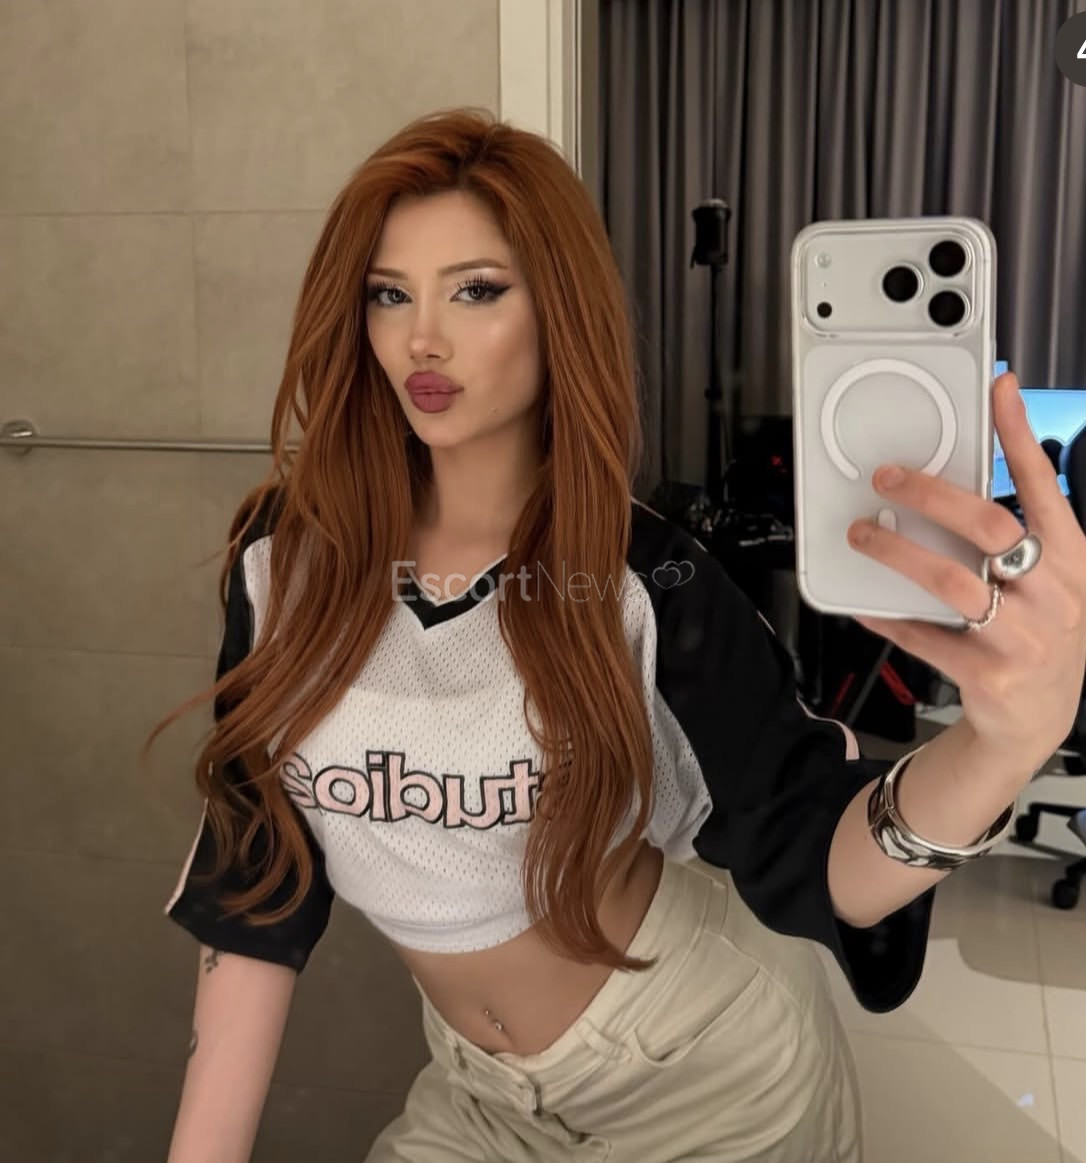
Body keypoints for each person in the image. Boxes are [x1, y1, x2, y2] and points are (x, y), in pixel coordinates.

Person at [146, 107, 1030, 1163]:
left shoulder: (647, 581)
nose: (422, 337)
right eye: (389, 293)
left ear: (557, 308)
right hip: (479, 1093)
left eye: (476, 289)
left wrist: (1004, 743)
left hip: (707, 1080)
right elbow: (259, 879)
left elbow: (814, 845)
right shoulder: (284, 562)